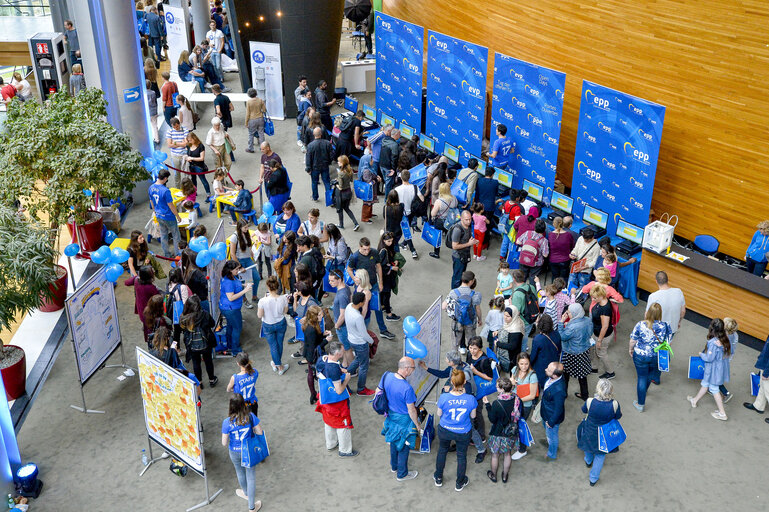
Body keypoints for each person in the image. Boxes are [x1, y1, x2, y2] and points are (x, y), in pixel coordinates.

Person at [379, 357, 423, 481]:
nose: (413, 371)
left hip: (391, 416)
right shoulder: (407, 388)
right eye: (413, 368)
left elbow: (379, 391)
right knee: (404, 446)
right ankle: (402, 474)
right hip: (404, 420)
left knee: (393, 441)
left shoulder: (386, 376)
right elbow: (411, 410)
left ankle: (394, 466)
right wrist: (417, 424)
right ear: (407, 368)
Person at [433, 369, 477, 491]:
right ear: (464, 382)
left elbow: (439, 413)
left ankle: (438, 477)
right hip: (463, 431)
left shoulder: (443, 397)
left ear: (452, 382)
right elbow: (473, 416)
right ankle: (459, 482)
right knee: (461, 456)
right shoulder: (470, 399)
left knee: (442, 451)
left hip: (445, 429)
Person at [221, 394, 263, 512]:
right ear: (243, 404)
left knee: (240, 472)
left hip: (234, 451)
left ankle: (245, 492)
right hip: (248, 450)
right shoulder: (250, 416)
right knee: (251, 476)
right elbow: (259, 432)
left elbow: (224, 443)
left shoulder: (226, 422)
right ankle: (252, 507)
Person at [346, 238, 395, 339]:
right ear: (360, 247)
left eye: (368, 249)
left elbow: (378, 266)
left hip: (374, 285)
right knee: (362, 308)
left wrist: (380, 282)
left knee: (378, 308)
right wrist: (353, 278)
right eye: (364, 249)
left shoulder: (374, 252)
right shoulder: (354, 257)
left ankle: (383, 330)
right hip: (362, 287)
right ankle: (361, 331)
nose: (367, 251)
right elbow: (349, 269)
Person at [315, 341, 357, 456]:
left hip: (325, 399)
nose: (344, 352)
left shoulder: (322, 359)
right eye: (342, 351)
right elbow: (339, 391)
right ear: (338, 354)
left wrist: (340, 370)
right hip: (337, 404)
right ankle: (345, 450)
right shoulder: (333, 369)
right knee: (343, 425)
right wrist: (347, 379)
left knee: (328, 422)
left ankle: (331, 444)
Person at [579, 379, 623, 486]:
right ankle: (593, 479)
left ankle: (588, 461)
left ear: (598, 389)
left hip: (590, 430)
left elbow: (584, 410)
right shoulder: (614, 404)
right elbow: (618, 416)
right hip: (605, 434)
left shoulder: (590, 401)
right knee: (600, 455)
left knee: (588, 446)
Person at [628, 303, 672, 412]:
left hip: (640, 356)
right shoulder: (666, 326)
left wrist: (630, 349)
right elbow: (668, 343)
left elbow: (633, 340)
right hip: (656, 356)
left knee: (641, 377)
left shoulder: (640, 325)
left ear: (647, 313)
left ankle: (640, 404)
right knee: (649, 375)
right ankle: (644, 390)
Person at [687, 318, 731, 421]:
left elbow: (709, 358)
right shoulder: (725, 339)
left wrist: (701, 354)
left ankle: (722, 413)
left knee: (714, 389)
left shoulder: (712, 343)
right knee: (705, 384)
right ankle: (695, 400)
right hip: (718, 368)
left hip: (713, 370)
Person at [482, 377, 518, 483]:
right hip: (510, 432)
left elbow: (492, 419)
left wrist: (487, 405)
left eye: (497, 386)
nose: (496, 388)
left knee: (495, 455)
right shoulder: (516, 398)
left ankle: (493, 475)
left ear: (502, 389)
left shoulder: (497, 403)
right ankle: (505, 476)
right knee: (507, 454)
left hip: (498, 432)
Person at [180, 296, 218, 387]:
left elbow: (182, 329)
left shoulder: (184, 318)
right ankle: (212, 380)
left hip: (192, 344)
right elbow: (212, 324)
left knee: (196, 363)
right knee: (208, 361)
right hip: (206, 342)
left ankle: (199, 382)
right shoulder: (204, 314)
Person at [559, 303, 593, 400]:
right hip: (583, 351)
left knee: (565, 374)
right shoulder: (587, 320)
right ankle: (585, 395)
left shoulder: (572, 327)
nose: (567, 313)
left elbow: (562, 337)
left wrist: (561, 322)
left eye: (569, 312)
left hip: (571, 353)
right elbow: (590, 332)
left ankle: (564, 394)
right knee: (582, 375)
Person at [345, 292, 376, 396]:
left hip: (351, 339)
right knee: (364, 366)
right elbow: (364, 333)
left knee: (358, 359)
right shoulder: (358, 317)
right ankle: (361, 389)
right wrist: (372, 341)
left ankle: (343, 375)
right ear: (361, 303)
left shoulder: (349, 306)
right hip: (360, 343)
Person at [444, 271, 482, 355]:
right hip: (470, 322)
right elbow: (478, 309)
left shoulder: (453, 292)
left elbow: (443, 306)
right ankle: (471, 359)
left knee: (455, 344)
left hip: (457, 322)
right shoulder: (476, 294)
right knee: (472, 343)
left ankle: (454, 362)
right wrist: (480, 319)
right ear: (471, 281)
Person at [257, 276, 289, 375]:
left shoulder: (262, 301)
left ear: (268, 287)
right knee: (279, 343)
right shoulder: (283, 298)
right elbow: (285, 311)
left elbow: (259, 315)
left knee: (273, 346)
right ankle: (278, 364)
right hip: (280, 323)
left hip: (268, 324)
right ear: (277, 287)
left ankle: (277, 365)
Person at [220, 260, 251, 356]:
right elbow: (231, 297)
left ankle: (230, 345)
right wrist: (245, 290)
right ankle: (236, 350)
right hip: (231, 309)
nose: (238, 270)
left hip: (230, 308)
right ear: (230, 270)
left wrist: (243, 285)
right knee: (237, 328)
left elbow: (235, 284)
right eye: (236, 269)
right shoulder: (228, 282)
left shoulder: (230, 277)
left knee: (230, 326)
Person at [149, 169, 182, 258]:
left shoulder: (151, 187)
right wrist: (178, 216)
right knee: (176, 235)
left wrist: (154, 211)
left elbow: (151, 201)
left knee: (164, 235)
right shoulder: (165, 191)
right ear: (165, 178)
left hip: (159, 215)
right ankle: (178, 254)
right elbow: (171, 206)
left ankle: (167, 254)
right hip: (168, 216)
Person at [301, 305, 331, 398]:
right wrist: (326, 340)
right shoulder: (312, 329)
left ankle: (313, 394)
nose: (322, 316)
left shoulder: (311, 324)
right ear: (315, 316)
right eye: (320, 314)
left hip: (308, 353)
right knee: (316, 374)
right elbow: (315, 347)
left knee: (311, 372)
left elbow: (314, 340)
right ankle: (316, 394)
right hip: (313, 355)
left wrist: (322, 335)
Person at [646, 271, 686, 338]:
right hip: (672, 328)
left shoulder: (653, 296)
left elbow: (647, 315)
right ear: (667, 280)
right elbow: (683, 312)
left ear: (656, 281)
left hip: (657, 330)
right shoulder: (679, 292)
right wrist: (678, 322)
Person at [228, 219, 260, 304]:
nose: (247, 229)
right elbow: (232, 254)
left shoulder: (246, 233)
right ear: (239, 227)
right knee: (241, 282)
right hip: (239, 261)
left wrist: (251, 251)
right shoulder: (234, 237)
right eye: (245, 227)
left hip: (248, 259)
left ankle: (254, 296)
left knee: (257, 277)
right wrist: (240, 267)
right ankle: (244, 299)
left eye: (247, 227)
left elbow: (248, 244)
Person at [540, 362, 567, 460]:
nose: (545, 369)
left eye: (548, 370)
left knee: (552, 436)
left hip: (551, 417)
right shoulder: (553, 378)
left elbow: (558, 409)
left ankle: (552, 454)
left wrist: (551, 422)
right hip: (546, 412)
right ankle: (548, 440)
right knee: (548, 433)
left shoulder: (559, 390)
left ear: (555, 375)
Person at [530, 315, 562, 390]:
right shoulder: (557, 334)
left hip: (541, 366)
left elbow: (533, 356)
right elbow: (559, 350)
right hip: (553, 364)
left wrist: (530, 365)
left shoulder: (538, 339)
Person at [590, 284, 615, 380]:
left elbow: (604, 327)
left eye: (595, 297)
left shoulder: (605, 309)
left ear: (601, 296)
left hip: (603, 336)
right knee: (596, 350)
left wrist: (599, 340)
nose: (593, 299)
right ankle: (594, 367)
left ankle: (610, 372)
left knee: (601, 353)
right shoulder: (601, 302)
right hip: (596, 332)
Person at [743, 334, 769, 424]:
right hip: (765, 364)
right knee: (762, 386)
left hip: (767, 368)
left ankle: (759, 406)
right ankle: (759, 406)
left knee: (768, 391)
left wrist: (766, 372)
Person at [429, 182, 458, 259]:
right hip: (450, 221)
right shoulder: (454, 198)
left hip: (440, 222)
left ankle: (436, 253)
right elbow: (455, 207)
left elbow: (433, 214)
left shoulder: (439, 201)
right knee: (451, 236)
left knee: (437, 236)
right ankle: (454, 252)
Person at [305, 127, 334, 202]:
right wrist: (329, 162)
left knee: (314, 182)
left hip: (314, 167)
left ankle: (315, 197)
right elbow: (332, 155)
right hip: (325, 166)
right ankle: (329, 199)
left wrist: (308, 168)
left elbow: (308, 158)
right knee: (327, 182)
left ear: (313, 134)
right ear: (321, 134)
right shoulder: (327, 143)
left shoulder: (310, 145)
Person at [451, 211, 478, 289]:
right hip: (458, 257)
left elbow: (466, 239)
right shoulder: (457, 230)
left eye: (470, 219)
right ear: (461, 218)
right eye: (466, 219)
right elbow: (454, 246)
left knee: (462, 276)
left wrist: (473, 241)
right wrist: (469, 244)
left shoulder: (468, 226)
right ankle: (454, 294)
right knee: (457, 277)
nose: (469, 221)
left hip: (464, 255)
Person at [227, 352, 259, 416]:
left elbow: (228, 389)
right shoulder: (255, 372)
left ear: (238, 364)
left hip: (240, 406)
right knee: (254, 422)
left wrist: (233, 389)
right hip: (253, 403)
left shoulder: (235, 378)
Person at [134, 266, 161, 344]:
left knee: (146, 327)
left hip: (141, 310)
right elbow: (158, 298)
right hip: (150, 313)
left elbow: (127, 282)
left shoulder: (136, 282)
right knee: (151, 330)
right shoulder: (151, 288)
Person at [333, 155, 359, 230]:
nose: (338, 162)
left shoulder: (341, 173)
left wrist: (336, 184)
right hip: (348, 192)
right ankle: (356, 223)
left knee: (340, 209)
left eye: (339, 161)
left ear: (342, 163)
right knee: (347, 208)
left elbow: (340, 187)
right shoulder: (350, 169)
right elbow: (351, 180)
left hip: (341, 194)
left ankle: (341, 224)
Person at [510, 269, 537, 339]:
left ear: (514, 279)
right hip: (532, 316)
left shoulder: (517, 294)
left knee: (522, 338)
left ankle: (523, 349)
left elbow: (516, 312)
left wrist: (510, 304)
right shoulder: (531, 287)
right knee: (526, 335)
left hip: (523, 320)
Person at [184, 132, 211, 200]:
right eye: (188, 140)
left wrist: (192, 158)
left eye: (190, 140)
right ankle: (194, 192)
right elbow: (187, 154)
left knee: (203, 180)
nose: (189, 141)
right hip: (191, 166)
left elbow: (202, 158)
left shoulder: (200, 146)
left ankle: (208, 194)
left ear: (194, 138)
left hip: (199, 166)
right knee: (193, 180)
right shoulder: (188, 145)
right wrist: (187, 157)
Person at [548, 217, 575, 281]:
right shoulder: (568, 235)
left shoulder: (550, 235)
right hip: (565, 261)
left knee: (555, 277)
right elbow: (572, 246)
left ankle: (554, 290)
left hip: (553, 260)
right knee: (564, 279)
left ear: (554, 224)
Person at [166, 117, 189, 188]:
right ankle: (178, 189)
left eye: (177, 126)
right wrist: (180, 143)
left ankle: (187, 189)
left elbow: (186, 143)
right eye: (174, 127)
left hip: (184, 155)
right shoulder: (169, 131)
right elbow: (169, 145)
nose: (176, 128)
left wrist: (175, 143)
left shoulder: (185, 130)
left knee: (187, 173)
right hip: (175, 155)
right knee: (177, 174)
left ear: (179, 124)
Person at [380, 126, 401, 198]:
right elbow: (394, 158)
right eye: (399, 134)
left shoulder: (384, 140)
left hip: (382, 165)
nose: (400, 136)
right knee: (389, 185)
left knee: (386, 182)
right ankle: (387, 200)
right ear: (396, 135)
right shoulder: (394, 145)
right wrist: (393, 169)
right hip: (389, 168)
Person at [245, 88, 266, 153]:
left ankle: (250, 148)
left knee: (251, 134)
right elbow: (264, 110)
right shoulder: (260, 100)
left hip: (252, 119)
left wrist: (246, 122)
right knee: (261, 133)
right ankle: (263, 147)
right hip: (260, 118)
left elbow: (247, 113)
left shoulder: (248, 102)